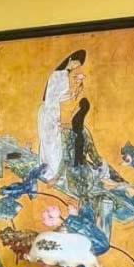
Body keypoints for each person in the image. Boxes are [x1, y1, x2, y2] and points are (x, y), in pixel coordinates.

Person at [37, 49, 85, 181]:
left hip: (53, 111)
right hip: (48, 112)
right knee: (49, 142)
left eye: (78, 66)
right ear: (70, 60)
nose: (75, 67)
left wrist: (73, 94)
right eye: (75, 63)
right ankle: (49, 172)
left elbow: (58, 97)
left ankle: (51, 171)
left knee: (54, 142)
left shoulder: (64, 75)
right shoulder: (58, 75)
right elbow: (50, 97)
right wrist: (55, 118)